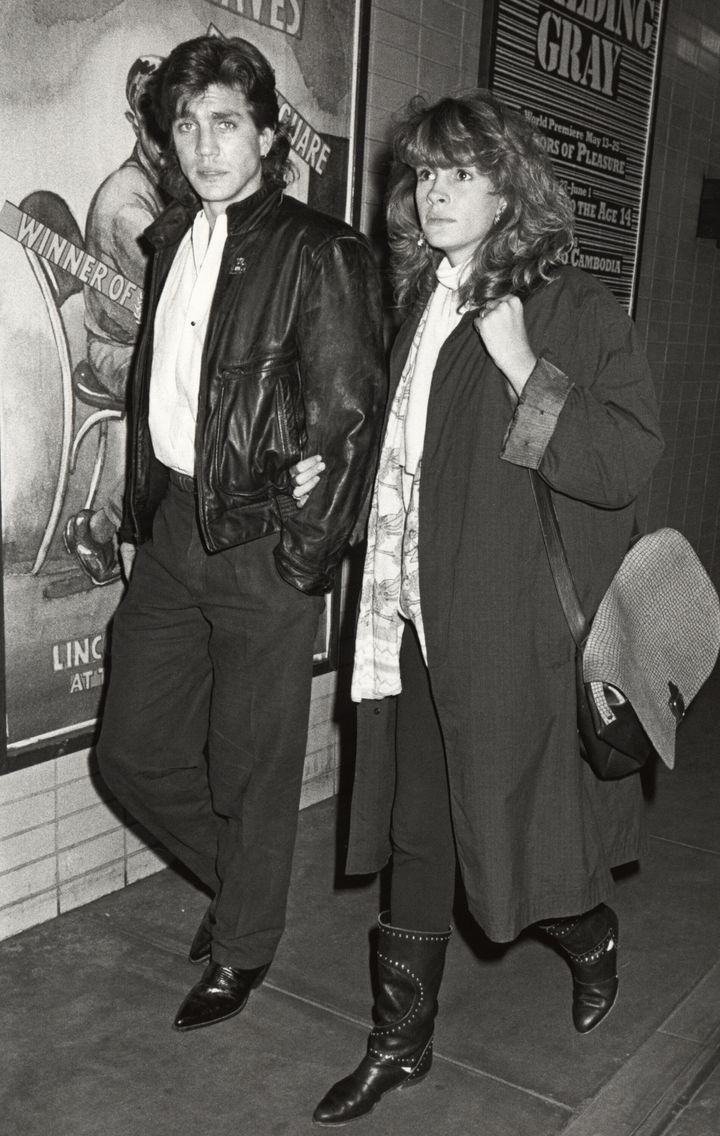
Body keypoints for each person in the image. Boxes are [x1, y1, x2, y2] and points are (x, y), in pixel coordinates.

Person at [291, 90, 663, 1125]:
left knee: (515, 838)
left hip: (511, 636)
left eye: (461, 171)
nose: (436, 191)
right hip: (412, 625)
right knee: (423, 833)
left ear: (512, 187)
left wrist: (521, 365)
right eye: (425, 173)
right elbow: (415, 455)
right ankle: (398, 1043)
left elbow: (625, 459)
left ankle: (588, 933)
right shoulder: (421, 298)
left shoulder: (573, 309)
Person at [95, 35, 385, 1033]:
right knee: (129, 748)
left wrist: (299, 556)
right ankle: (245, 885)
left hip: (265, 538)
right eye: (187, 125)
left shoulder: (321, 250)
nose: (206, 143)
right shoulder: (174, 235)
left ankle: (245, 946)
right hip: (180, 521)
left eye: (226, 122)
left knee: (251, 760)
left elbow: (349, 424)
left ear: (266, 132)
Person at [64, 55, 167, 586]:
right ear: (135, 123)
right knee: (180, 399)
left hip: (138, 342)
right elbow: (175, 304)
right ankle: (104, 530)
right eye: (157, 122)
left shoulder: (155, 185)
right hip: (117, 352)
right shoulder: (129, 205)